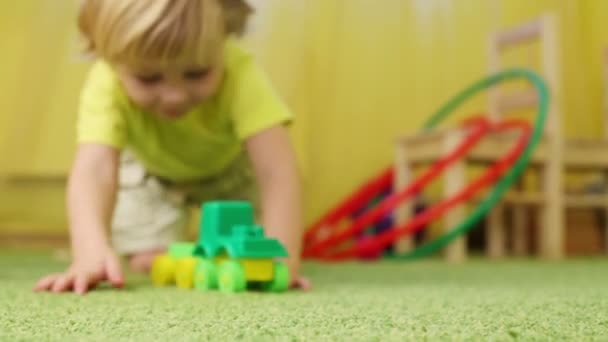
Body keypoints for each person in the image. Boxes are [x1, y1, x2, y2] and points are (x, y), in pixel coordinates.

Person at [34, 0, 309, 294]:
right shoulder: (107, 80)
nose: (175, 96)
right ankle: (164, 247)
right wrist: (89, 251)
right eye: (149, 78)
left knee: (252, 245)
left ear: (224, 38)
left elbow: (275, 171)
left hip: (232, 173)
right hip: (152, 177)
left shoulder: (240, 71)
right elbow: (95, 169)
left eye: (197, 73)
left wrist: (281, 258)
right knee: (149, 258)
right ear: (109, 57)